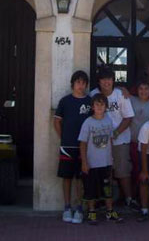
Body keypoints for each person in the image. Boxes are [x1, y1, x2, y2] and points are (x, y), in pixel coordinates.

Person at [90, 66, 140, 211]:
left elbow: (128, 117)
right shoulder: (93, 94)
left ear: (113, 81)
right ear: (99, 81)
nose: (106, 82)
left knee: (122, 170)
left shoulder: (121, 95)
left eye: (109, 79)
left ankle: (129, 199)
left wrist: (115, 133)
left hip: (120, 140)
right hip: (99, 142)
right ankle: (105, 202)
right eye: (103, 79)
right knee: (104, 172)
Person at [53, 70, 92, 224]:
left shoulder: (90, 101)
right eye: (78, 82)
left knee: (81, 178)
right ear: (72, 84)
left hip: (85, 147)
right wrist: (63, 137)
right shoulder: (65, 101)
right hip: (67, 146)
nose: (80, 85)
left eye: (83, 83)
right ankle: (67, 207)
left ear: (86, 85)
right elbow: (56, 122)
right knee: (67, 177)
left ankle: (79, 208)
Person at [79, 94, 123, 225]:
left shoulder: (108, 121)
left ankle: (110, 211)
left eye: (102, 104)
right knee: (91, 189)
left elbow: (110, 140)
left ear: (106, 107)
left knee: (107, 188)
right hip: (92, 163)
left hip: (106, 162)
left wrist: (112, 158)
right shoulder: (88, 122)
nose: (99, 107)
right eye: (97, 104)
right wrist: (84, 162)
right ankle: (92, 212)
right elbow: (83, 143)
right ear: (92, 107)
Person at [129, 81, 149, 193]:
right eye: (141, 88)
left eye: (146, 88)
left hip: (148, 145)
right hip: (133, 142)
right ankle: (131, 196)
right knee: (132, 170)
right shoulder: (130, 100)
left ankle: (145, 198)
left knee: (145, 171)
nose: (143, 91)